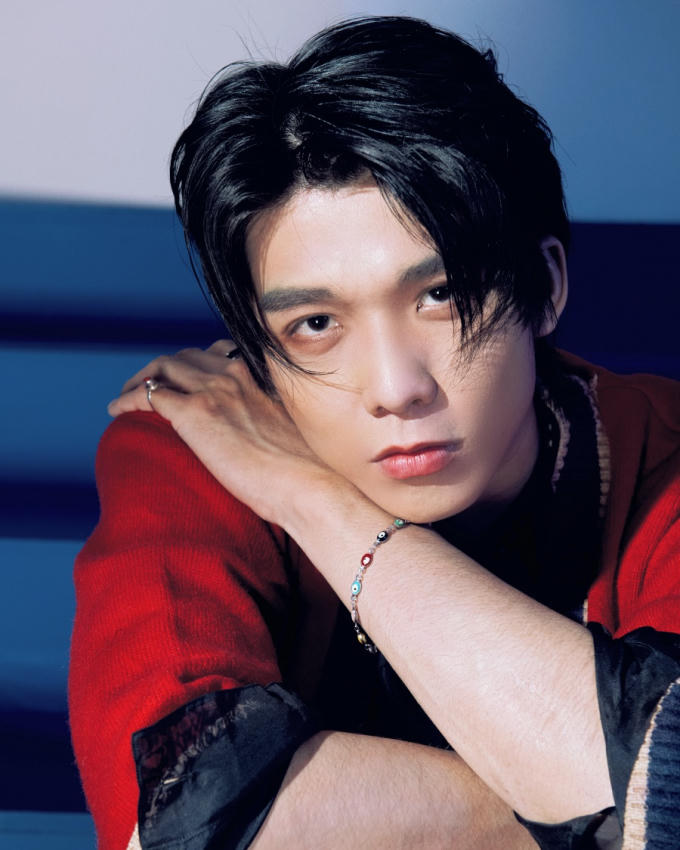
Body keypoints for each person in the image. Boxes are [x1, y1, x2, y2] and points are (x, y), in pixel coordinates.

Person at [69, 15, 680, 850]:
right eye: (316, 324)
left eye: (441, 296)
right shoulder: (192, 447)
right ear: (260, 351)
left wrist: (314, 499)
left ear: (543, 287)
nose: (396, 389)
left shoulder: (663, 455)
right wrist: (614, 799)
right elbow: (191, 823)